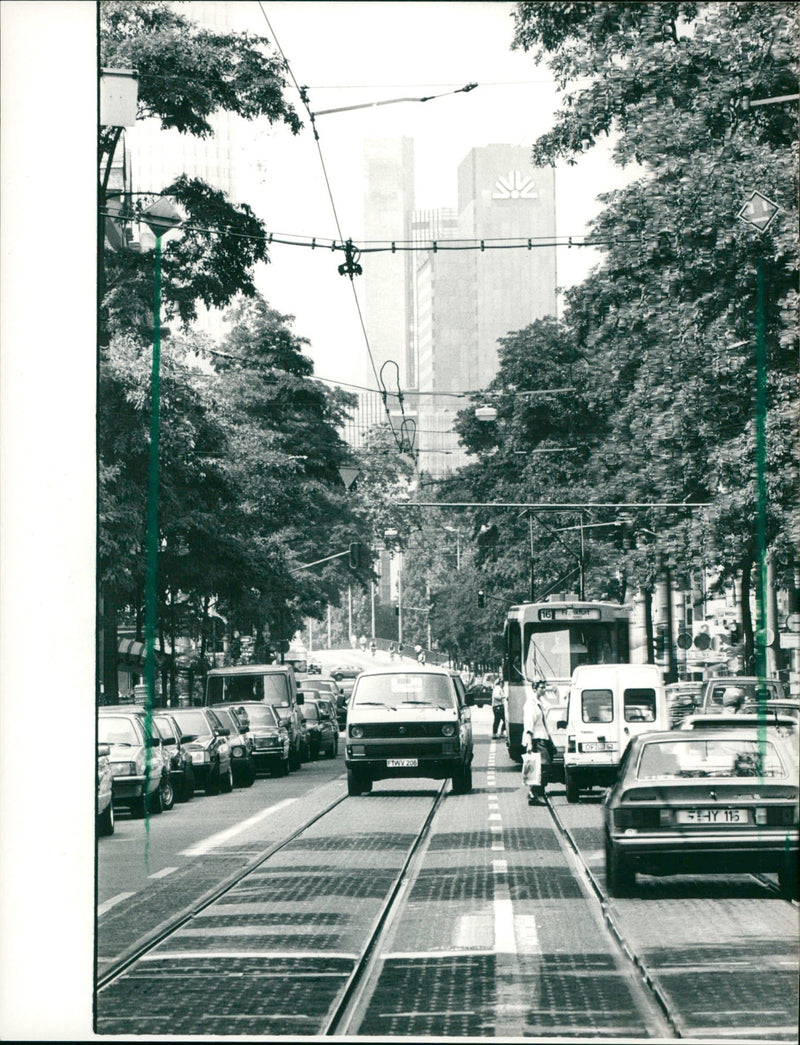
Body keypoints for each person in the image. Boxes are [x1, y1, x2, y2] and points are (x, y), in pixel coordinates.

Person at [523, 680, 553, 804]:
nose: (544, 690)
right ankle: (534, 793)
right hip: (536, 739)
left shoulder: (539, 702)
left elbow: (549, 707)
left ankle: (538, 792)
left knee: (543, 766)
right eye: (542, 688)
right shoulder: (530, 704)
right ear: (534, 689)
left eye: (545, 687)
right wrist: (529, 743)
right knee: (541, 766)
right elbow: (529, 724)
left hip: (543, 737)